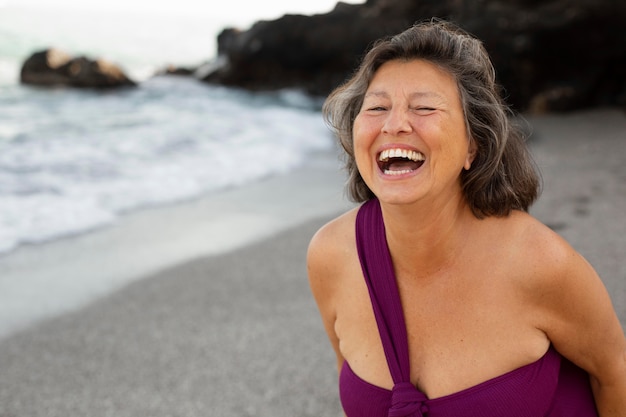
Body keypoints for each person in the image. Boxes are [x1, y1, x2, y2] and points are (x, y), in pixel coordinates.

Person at [307, 19, 626, 417]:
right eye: (377, 108)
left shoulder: (542, 265)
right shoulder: (331, 256)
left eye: (424, 107)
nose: (394, 124)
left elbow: (615, 372)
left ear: (472, 146)